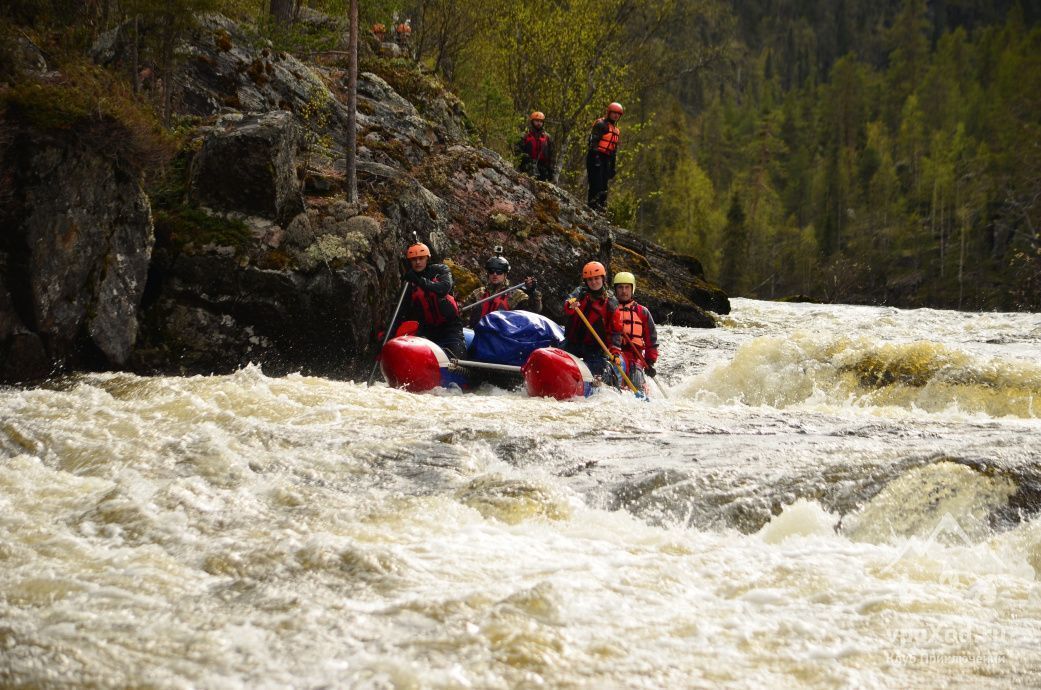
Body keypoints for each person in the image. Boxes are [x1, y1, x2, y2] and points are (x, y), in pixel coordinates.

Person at [398, 242, 466, 357]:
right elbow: (401, 311)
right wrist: (387, 336)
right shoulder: (409, 283)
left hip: (450, 329)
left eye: (421, 258)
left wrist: (420, 281)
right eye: (414, 259)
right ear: (410, 262)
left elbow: (443, 289)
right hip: (426, 331)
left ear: (427, 258)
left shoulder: (441, 270)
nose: (418, 262)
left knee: (457, 355)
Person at [562, 260, 623, 380]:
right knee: (556, 355)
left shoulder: (611, 302)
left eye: (596, 278)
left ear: (603, 279)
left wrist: (615, 352)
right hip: (573, 342)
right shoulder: (580, 292)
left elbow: (615, 331)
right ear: (586, 281)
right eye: (590, 279)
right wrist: (570, 305)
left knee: (596, 376)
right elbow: (567, 304)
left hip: (595, 348)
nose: (593, 282)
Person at [611, 271, 659, 391]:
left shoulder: (642, 312)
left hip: (635, 356)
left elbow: (651, 340)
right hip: (615, 353)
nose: (624, 291)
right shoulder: (609, 309)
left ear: (632, 289)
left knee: (636, 385)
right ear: (615, 289)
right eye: (620, 287)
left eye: (627, 287)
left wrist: (650, 362)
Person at [464, 254, 542, 327]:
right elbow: (463, 314)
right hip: (477, 334)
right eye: (491, 271)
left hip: (501, 337)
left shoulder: (515, 295)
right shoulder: (479, 293)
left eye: (499, 272)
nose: (495, 274)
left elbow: (534, 310)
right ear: (488, 274)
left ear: (505, 274)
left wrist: (533, 292)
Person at [586, 102, 623, 211]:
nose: (616, 116)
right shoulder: (601, 124)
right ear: (609, 113)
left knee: (604, 187)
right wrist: (596, 158)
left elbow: (614, 151)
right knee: (595, 184)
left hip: (606, 159)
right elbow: (593, 142)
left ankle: (601, 209)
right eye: (614, 113)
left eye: (618, 114)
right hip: (595, 157)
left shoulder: (616, 130)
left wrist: (612, 167)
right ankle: (592, 208)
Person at [515, 111, 554, 182]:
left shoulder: (547, 137)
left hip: (543, 170)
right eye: (537, 121)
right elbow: (518, 153)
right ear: (532, 121)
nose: (539, 123)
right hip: (527, 168)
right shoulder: (524, 135)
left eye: (541, 121)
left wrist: (551, 171)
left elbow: (551, 156)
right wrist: (525, 164)